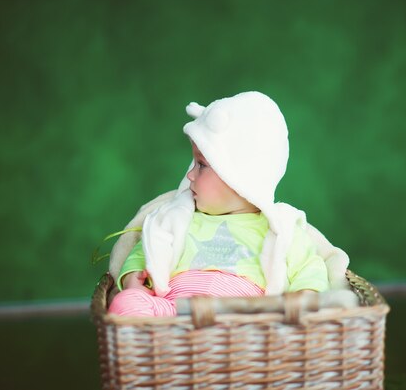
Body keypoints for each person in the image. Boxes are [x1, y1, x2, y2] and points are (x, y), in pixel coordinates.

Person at [107, 91, 353, 317]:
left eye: (201, 165)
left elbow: (310, 269)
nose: (190, 175)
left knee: (277, 322)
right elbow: (149, 246)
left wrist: (304, 297)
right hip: (175, 312)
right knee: (125, 303)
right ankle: (177, 351)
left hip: (246, 318)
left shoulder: (280, 229)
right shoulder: (179, 215)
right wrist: (131, 278)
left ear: (238, 178)